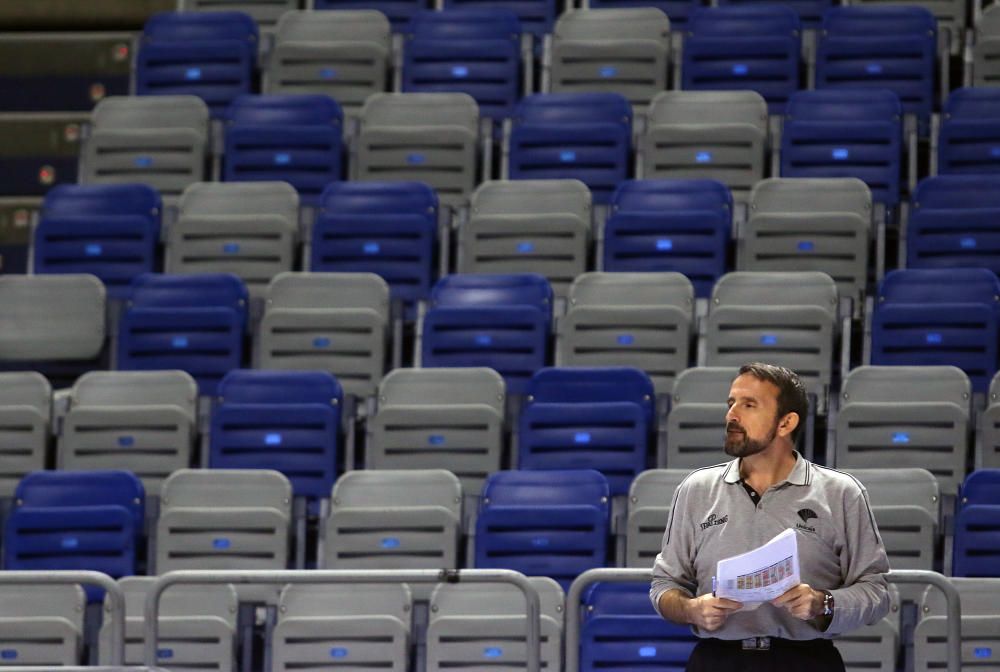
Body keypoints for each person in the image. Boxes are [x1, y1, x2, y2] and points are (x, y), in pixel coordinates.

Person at [650, 362, 890, 672]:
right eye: (731, 403)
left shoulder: (842, 493)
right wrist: (692, 609)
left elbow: (877, 592)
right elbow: (663, 587)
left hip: (806, 661)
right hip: (717, 660)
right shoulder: (695, 490)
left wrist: (822, 603)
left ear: (786, 422)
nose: (731, 415)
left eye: (749, 405)